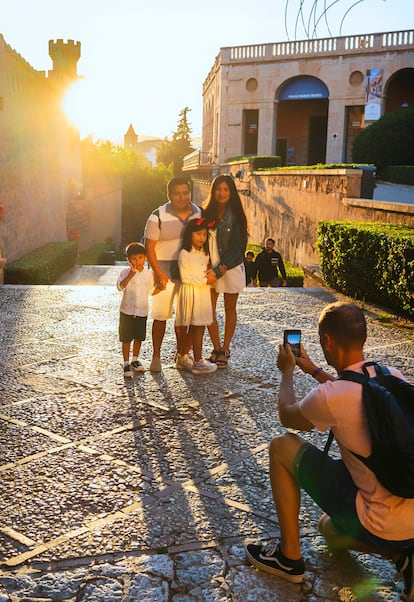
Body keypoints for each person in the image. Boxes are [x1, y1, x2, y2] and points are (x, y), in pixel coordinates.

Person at [245, 302, 414, 600]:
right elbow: (354, 391)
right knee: (328, 528)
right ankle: (406, 555)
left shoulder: (331, 398)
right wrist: (314, 370)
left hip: (381, 522)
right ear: (362, 337)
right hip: (409, 506)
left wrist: (287, 372)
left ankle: (289, 557)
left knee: (280, 446)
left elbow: (287, 414)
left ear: (327, 341)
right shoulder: (391, 374)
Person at [144, 177, 201, 372]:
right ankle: (156, 356)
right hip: (163, 274)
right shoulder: (156, 216)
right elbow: (149, 248)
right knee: (160, 316)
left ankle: (181, 355)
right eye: (177, 193)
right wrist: (158, 273)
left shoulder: (198, 213)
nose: (182, 197)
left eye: (185, 192)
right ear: (169, 195)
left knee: (184, 319)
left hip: (188, 275)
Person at [203, 174, 248, 368]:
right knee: (208, 310)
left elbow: (237, 249)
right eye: (218, 189)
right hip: (210, 269)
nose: (221, 193)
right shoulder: (206, 213)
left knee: (230, 308)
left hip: (229, 268)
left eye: (225, 189)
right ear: (213, 192)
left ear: (231, 192)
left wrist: (219, 270)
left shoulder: (236, 216)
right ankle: (216, 347)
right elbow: (201, 240)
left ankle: (225, 348)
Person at [175, 217, 218, 375]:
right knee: (197, 327)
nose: (202, 237)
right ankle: (198, 361)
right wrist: (206, 280)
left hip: (202, 293)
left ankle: (181, 357)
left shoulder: (205, 253)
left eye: (204, 234)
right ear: (190, 234)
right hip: (192, 293)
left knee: (196, 328)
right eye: (198, 234)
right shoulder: (185, 253)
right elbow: (185, 277)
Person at [117, 242, 153, 377]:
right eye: (133, 258)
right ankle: (126, 363)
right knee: (126, 338)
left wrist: (160, 287)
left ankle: (135, 360)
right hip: (127, 310)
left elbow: (151, 290)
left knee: (139, 337)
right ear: (128, 259)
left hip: (142, 311)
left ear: (145, 258)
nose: (137, 261)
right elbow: (120, 286)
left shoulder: (149, 274)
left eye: (140, 257)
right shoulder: (124, 272)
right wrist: (130, 275)